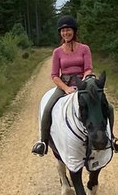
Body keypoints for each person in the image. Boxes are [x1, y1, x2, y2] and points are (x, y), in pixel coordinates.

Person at [31, 15, 95, 156]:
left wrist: (83, 83)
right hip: (65, 84)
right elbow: (54, 75)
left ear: (74, 31)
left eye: (68, 30)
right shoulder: (57, 52)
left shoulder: (84, 49)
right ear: (60, 33)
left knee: (105, 106)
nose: (66, 33)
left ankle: (111, 139)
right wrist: (66, 89)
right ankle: (43, 142)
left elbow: (88, 68)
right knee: (48, 108)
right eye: (63, 30)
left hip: (83, 82)